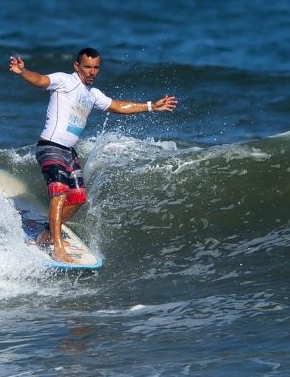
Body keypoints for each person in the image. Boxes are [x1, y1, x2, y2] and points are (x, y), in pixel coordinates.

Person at [9, 47, 177, 263]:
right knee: (59, 194)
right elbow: (41, 80)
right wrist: (23, 72)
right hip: (50, 146)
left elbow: (117, 106)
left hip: (68, 151)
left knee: (78, 198)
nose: (92, 71)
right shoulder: (65, 81)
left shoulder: (93, 94)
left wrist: (151, 106)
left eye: (96, 68)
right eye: (87, 67)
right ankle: (57, 247)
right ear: (77, 66)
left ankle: (48, 234)